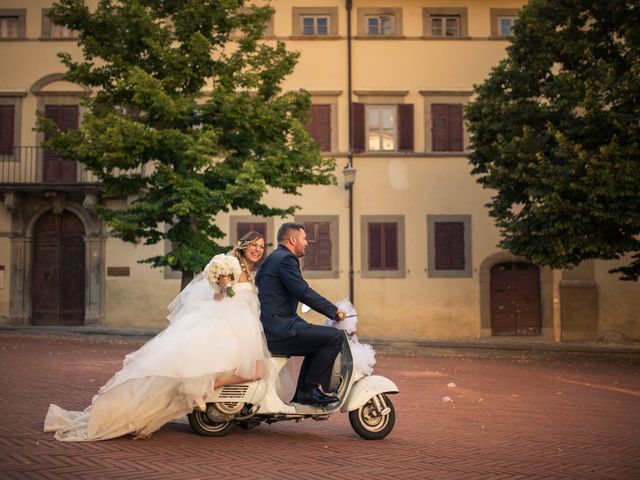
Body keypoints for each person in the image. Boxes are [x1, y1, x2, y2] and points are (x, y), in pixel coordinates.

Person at [44, 232, 268, 441]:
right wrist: (223, 285)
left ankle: (208, 387)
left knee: (256, 371)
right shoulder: (230, 264)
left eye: (261, 246)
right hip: (224, 325)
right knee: (254, 370)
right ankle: (204, 389)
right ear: (244, 245)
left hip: (243, 328)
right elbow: (218, 298)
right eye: (254, 245)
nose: (258, 249)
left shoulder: (248, 271)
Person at [255, 222, 346, 407]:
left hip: (273, 326)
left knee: (318, 341)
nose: (307, 243)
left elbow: (281, 302)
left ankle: (306, 392)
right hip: (277, 330)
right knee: (335, 337)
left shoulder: (275, 258)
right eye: (304, 238)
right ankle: (308, 391)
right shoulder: (286, 259)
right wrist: (333, 311)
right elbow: (303, 292)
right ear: (293, 239)